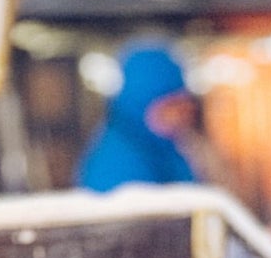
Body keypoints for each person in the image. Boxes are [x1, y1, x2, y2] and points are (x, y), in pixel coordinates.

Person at [77, 42, 198, 191]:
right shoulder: (116, 166)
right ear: (140, 106)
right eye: (170, 106)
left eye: (182, 105)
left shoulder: (166, 151)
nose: (180, 117)